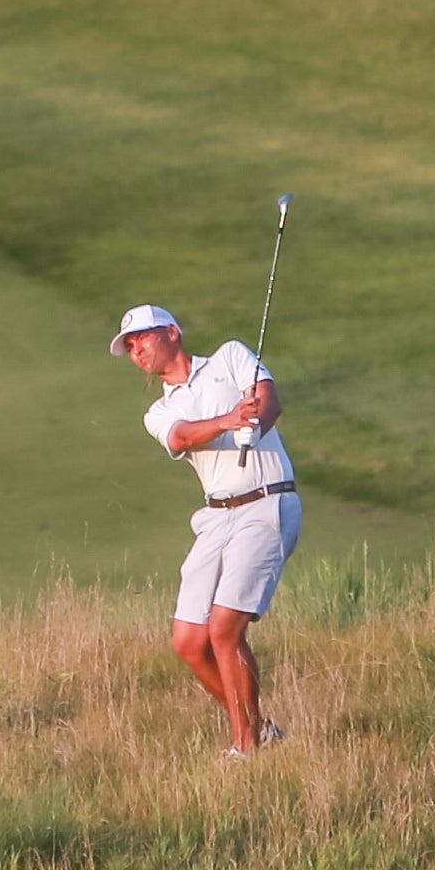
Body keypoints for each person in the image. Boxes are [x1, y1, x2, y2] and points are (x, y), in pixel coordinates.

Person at [111, 302, 297, 754]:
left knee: (224, 629)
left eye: (143, 339)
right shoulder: (159, 410)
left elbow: (269, 401)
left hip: (266, 501)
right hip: (216, 517)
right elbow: (181, 437)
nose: (137, 351)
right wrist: (229, 421)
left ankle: (245, 746)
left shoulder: (229, 357)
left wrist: (256, 419)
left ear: (172, 331)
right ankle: (261, 730)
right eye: (130, 347)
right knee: (190, 640)